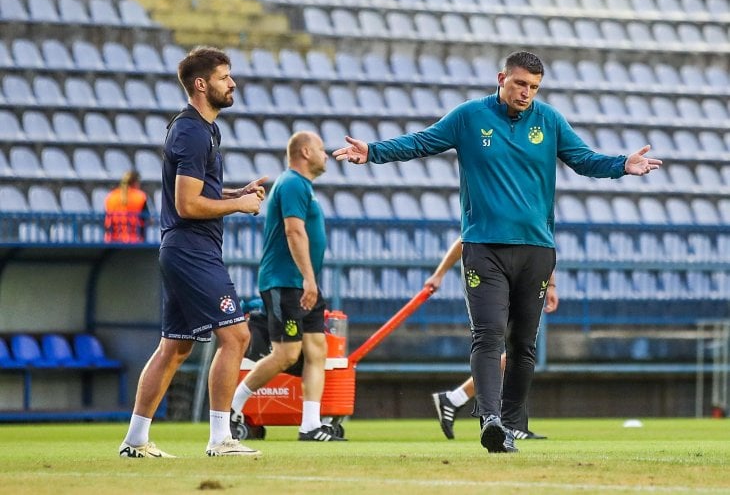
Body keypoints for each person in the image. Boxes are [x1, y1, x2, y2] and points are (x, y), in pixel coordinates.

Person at [334, 50, 662, 453]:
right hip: (484, 247)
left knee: (524, 344)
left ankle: (510, 424)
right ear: (501, 77)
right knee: (488, 336)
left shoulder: (550, 121)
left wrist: (621, 165)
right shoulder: (469, 116)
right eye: (520, 84)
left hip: (537, 250)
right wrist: (374, 151)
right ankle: (489, 420)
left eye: (534, 87)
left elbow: (583, 159)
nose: (527, 93)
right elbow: (421, 142)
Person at [119, 46, 267, 458]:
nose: (232, 82)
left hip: (184, 248)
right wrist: (238, 205)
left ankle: (135, 440)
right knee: (236, 334)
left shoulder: (203, 129)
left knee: (175, 347)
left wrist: (234, 192)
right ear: (201, 85)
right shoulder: (191, 131)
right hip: (191, 250)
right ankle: (221, 438)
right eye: (224, 77)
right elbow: (187, 204)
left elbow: (198, 192)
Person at [229, 131, 344, 442]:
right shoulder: (292, 183)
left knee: (316, 351)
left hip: (304, 284)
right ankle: (233, 406)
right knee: (286, 353)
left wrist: (311, 281)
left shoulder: (303, 186)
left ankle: (310, 425)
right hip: (285, 282)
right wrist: (308, 278)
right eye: (321, 148)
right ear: (305, 152)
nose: (326, 153)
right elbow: (294, 232)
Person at [427, 237, 558, 440]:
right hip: (496, 273)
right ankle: (502, 420)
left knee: (519, 349)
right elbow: (465, 237)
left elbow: (541, 236)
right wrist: (439, 273)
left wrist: (551, 283)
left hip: (528, 265)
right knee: (505, 346)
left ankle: (456, 399)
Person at [104, 170, 150, 243]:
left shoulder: (111, 196)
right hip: (135, 239)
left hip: (112, 239)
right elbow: (146, 218)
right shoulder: (140, 197)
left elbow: (106, 219)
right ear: (136, 182)